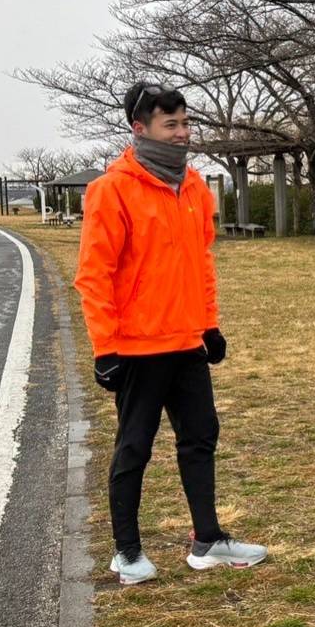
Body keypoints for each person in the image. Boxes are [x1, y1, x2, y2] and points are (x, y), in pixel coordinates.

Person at [74, 81, 266, 586]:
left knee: (201, 437)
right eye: (171, 125)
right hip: (137, 347)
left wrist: (209, 323)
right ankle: (127, 551)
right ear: (140, 129)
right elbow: (94, 275)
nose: (183, 134)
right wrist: (105, 347)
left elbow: (200, 261)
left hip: (185, 342)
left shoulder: (195, 185)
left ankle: (207, 541)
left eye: (185, 123)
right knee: (134, 445)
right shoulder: (112, 189)